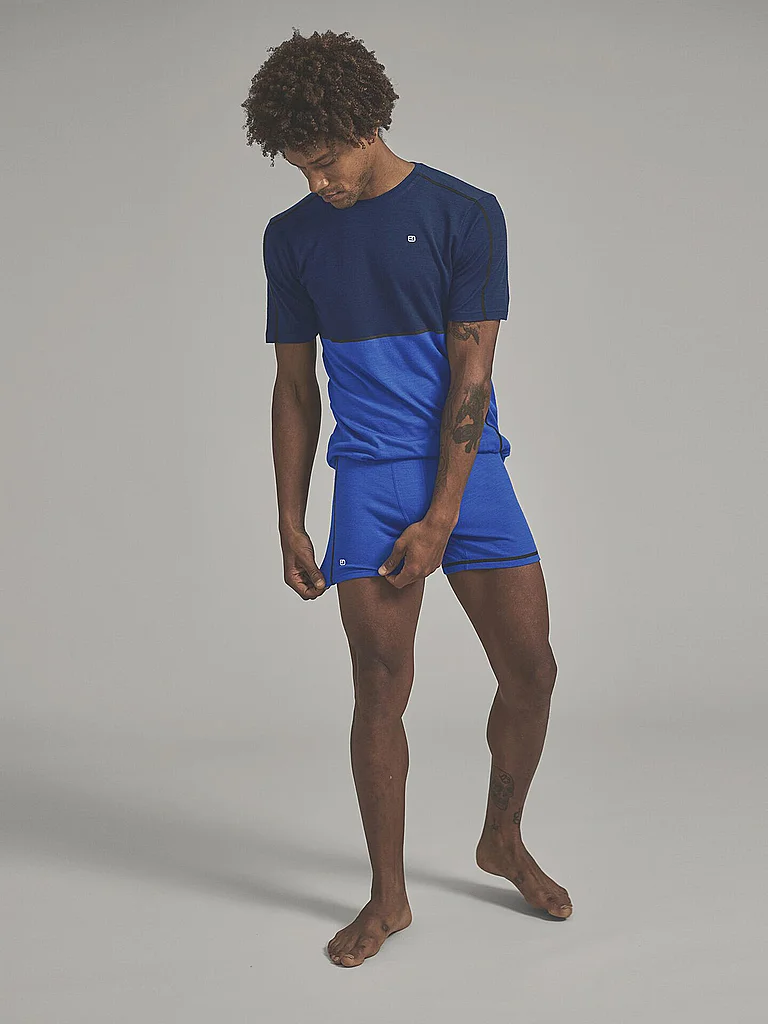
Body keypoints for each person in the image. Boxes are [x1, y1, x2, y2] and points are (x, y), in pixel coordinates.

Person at [242, 27, 572, 968]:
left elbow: (473, 371)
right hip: (369, 481)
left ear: (369, 123)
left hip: (469, 473)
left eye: (327, 160)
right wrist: (289, 518)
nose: (318, 182)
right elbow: (294, 387)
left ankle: (501, 839)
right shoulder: (290, 238)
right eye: (301, 167)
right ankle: (387, 899)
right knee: (380, 690)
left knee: (533, 673)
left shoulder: (466, 213)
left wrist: (443, 516)